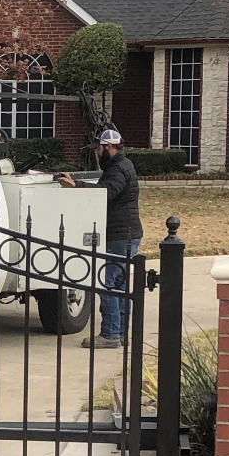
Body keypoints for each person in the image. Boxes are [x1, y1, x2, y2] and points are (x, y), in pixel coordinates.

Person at [62, 125, 142, 348]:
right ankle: (121, 332)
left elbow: (105, 193)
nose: (97, 153)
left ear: (108, 148)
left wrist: (75, 185)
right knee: (120, 285)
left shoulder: (117, 169)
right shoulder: (123, 165)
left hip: (120, 235)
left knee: (106, 283)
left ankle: (109, 335)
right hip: (128, 234)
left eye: (99, 149)